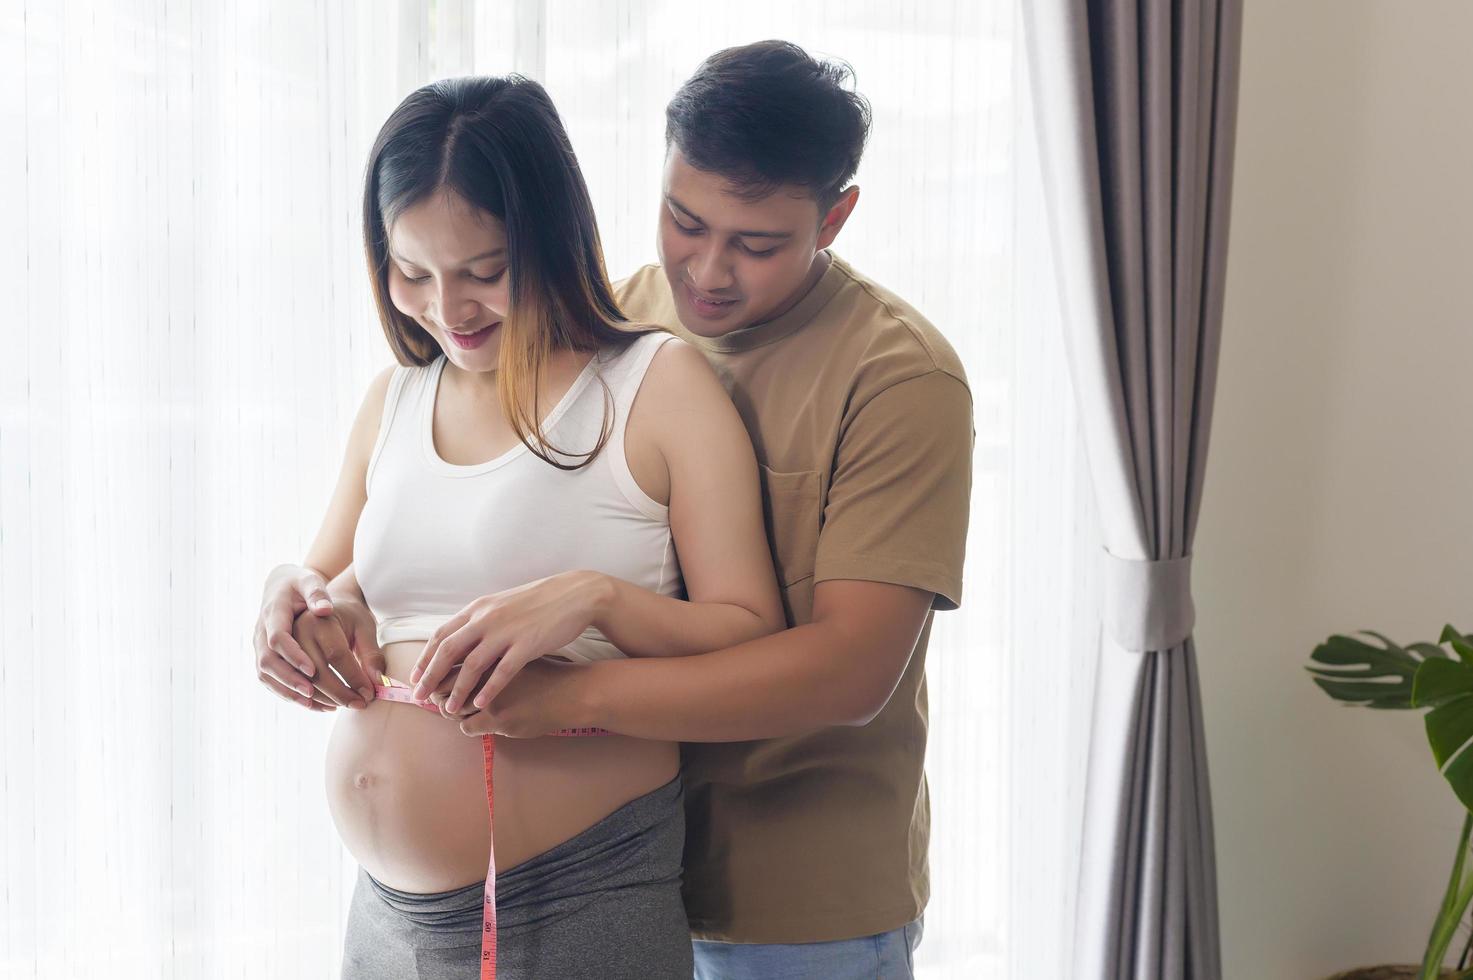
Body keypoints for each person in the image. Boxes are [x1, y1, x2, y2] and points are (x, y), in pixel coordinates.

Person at [259, 40, 974, 980]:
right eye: (683, 220)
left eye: (754, 243)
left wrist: (574, 677)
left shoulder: (892, 377)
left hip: (784, 882)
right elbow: (453, 536)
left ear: (833, 218)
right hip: (493, 884)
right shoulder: (600, 321)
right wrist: (311, 591)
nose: (706, 271)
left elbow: (848, 670)